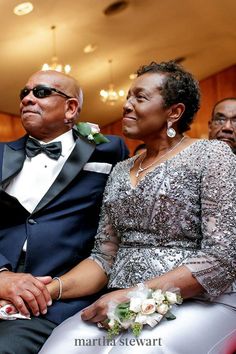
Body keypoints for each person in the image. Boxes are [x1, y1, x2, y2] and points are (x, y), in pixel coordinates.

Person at [39, 61, 236, 354]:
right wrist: (49, 289)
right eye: (128, 96)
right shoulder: (120, 170)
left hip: (201, 300)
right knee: (60, 349)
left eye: (139, 98)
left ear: (174, 112)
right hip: (117, 301)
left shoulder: (213, 155)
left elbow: (222, 257)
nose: (126, 105)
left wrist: (137, 295)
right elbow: (104, 258)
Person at [0, 69, 129, 353]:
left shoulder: (108, 151)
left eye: (41, 92)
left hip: (59, 296)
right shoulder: (0, 154)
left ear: (71, 108)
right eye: (25, 93)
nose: (28, 99)